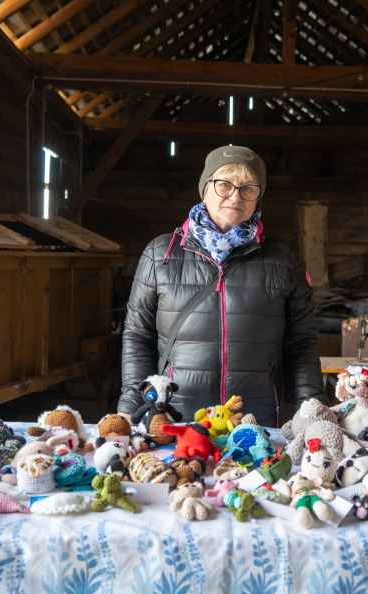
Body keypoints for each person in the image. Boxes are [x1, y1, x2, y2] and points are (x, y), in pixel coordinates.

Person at [118, 145, 321, 426]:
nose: (235, 196)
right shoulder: (160, 254)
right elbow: (137, 335)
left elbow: (302, 343)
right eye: (224, 184)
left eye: (248, 188)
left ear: (258, 197)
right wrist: (131, 406)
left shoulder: (283, 260)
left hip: (253, 420)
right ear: (205, 189)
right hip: (174, 419)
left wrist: (312, 409)